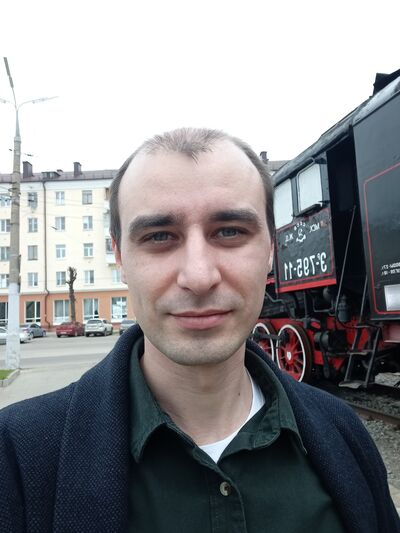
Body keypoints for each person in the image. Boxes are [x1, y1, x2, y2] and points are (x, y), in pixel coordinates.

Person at [0, 128, 399, 533]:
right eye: (159, 236)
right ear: (120, 257)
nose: (199, 276)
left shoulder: (343, 432)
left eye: (230, 231)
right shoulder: (15, 454)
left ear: (270, 250)